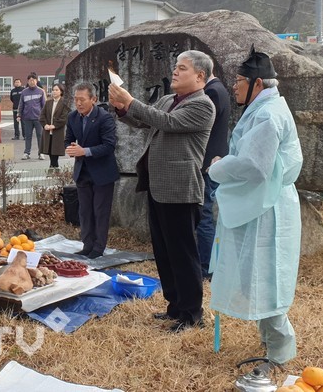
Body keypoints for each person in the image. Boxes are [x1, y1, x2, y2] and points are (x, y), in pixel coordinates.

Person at [207, 46, 303, 369]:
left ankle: (279, 351)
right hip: (266, 203)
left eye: (238, 81)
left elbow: (253, 165)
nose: (234, 86)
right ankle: (273, 343)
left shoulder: (267, 114)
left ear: (257, 84)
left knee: (267, 279)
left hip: (268, 208)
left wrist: (219, 167)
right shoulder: (268, 107)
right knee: (261, 277)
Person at [108, 50, 215, 333]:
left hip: (181, 189)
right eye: (175, 67)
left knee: (183, 253)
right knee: (165, 251)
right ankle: (174, 306)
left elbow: (166, 122)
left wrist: (131, 101)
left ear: (200, 76)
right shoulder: (169, 100)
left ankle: (192, 314)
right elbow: (145, 120)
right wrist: (122, 107)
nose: (175, 72)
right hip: (159, 186)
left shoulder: (203, 105)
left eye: (182, 68)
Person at [64, 82, 118, 259]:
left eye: (82, 100)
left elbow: (109, 145)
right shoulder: (73, 117)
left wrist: (84, 151)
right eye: (76, 99)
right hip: (83, 170)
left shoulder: (104, 118)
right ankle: (87, 244)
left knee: (100, 211)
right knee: (85, 211)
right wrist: (71, 148)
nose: (78, 103)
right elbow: (68, 139)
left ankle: (98, 247)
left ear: (93, 99)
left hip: (102, 171)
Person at [196, 68, 231, 280]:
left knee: (204, 215)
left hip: (209, 161)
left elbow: (207, 129)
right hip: (211, 160)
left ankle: (206, 266)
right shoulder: (218, 89)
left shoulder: (213, 92)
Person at [40, 83, 70, 169]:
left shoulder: (64, 103)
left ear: (61, 91)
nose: (54, 92)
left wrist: (54, 125)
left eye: (57, 90)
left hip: (58, 130)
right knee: (49, 147)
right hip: (47, 129)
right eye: (53, 90)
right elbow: (42, 115)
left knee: (55, 148)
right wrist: (45, 124)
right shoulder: (48, 102)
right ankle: (53, 166)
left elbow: (64, 117)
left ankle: (54, 166)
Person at [18, 72, 46, 160]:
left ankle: (41, 153)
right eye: (30, 80)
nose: (32, 82)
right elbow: (21, 105)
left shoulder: (41, 91)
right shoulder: (24, 92)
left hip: (38, 118)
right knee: (28, 136)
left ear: (36, 81)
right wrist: (19, 115)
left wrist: (45, 117)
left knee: (40, 135)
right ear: (28, 81)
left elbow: (44, 105)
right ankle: (27, 153)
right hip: (27, 118)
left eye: (33, 80)